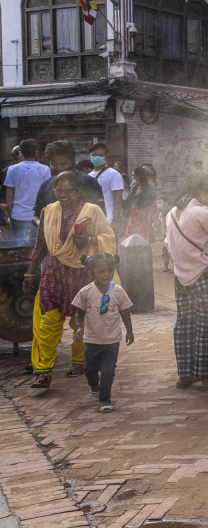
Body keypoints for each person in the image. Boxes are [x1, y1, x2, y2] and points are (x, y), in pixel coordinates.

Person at [23, 171, 117, 389]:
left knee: (81, 322)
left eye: (68, 190)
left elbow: (109, 238)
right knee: (46, 323)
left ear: (77, 191)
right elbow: (41, 246)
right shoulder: (49, 212)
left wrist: (89, 239)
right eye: (59, 190)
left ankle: (80, 363)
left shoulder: (91, 211)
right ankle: (43, 372)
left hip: (82, 274)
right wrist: (30, 273)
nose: (63, 194)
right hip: (53, 275)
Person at [165, 171, 208, 389]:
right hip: (204, 273)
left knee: (185, 323)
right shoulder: (203, 212)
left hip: (181, 275)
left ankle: (185, 375)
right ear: (205, 190)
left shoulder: (172, 213)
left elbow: (167, 243)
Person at [72, 253, 133, 412]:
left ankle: (105, 398)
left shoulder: (118, 291)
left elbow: (125, 312)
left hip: (112, 341)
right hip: (92, 341)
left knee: (108, 370)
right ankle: (94, 385)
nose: (106, 274)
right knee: (90, 371)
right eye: (101, 271)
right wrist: (79, 327)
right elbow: (78, 313)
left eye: (110, 270)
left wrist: (130, 331)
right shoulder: (86, 292)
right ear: (91, 273)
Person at [33, 141, 105, 218]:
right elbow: (36, 216)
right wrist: (45, 226)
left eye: (64, 164)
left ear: (73, 161)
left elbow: (100, 214)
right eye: (54, 164)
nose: (59, 168)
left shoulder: (89, 182)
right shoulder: (45, 185)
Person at [3, 139, 49, 242]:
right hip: (38, 216)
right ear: (36, 153)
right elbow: (47, 193)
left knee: (18, 244)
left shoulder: (12, 169)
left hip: (18, 214)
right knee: (38, 244)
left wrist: (9, 211)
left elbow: (9, 193)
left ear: (20, 153)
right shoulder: (45, 169)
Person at [89, 143, 125, 230]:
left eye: (100, 155)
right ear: (90, 156)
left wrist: (115, 220)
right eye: (94, 155)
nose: (97, 157)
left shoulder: (113, 174)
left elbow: (118, 199)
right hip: (91, 222)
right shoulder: (89, 175)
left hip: (108, 221)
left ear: (105, 156)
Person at [124, 166, 156, 244]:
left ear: (139, 176)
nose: (133, 177)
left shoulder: (149, 188)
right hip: (134, 216)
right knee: (132, 240)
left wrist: (148, 219)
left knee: (144, 238)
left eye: (134, 175)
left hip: (144, 216)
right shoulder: (135, 186)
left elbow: (151, 204)